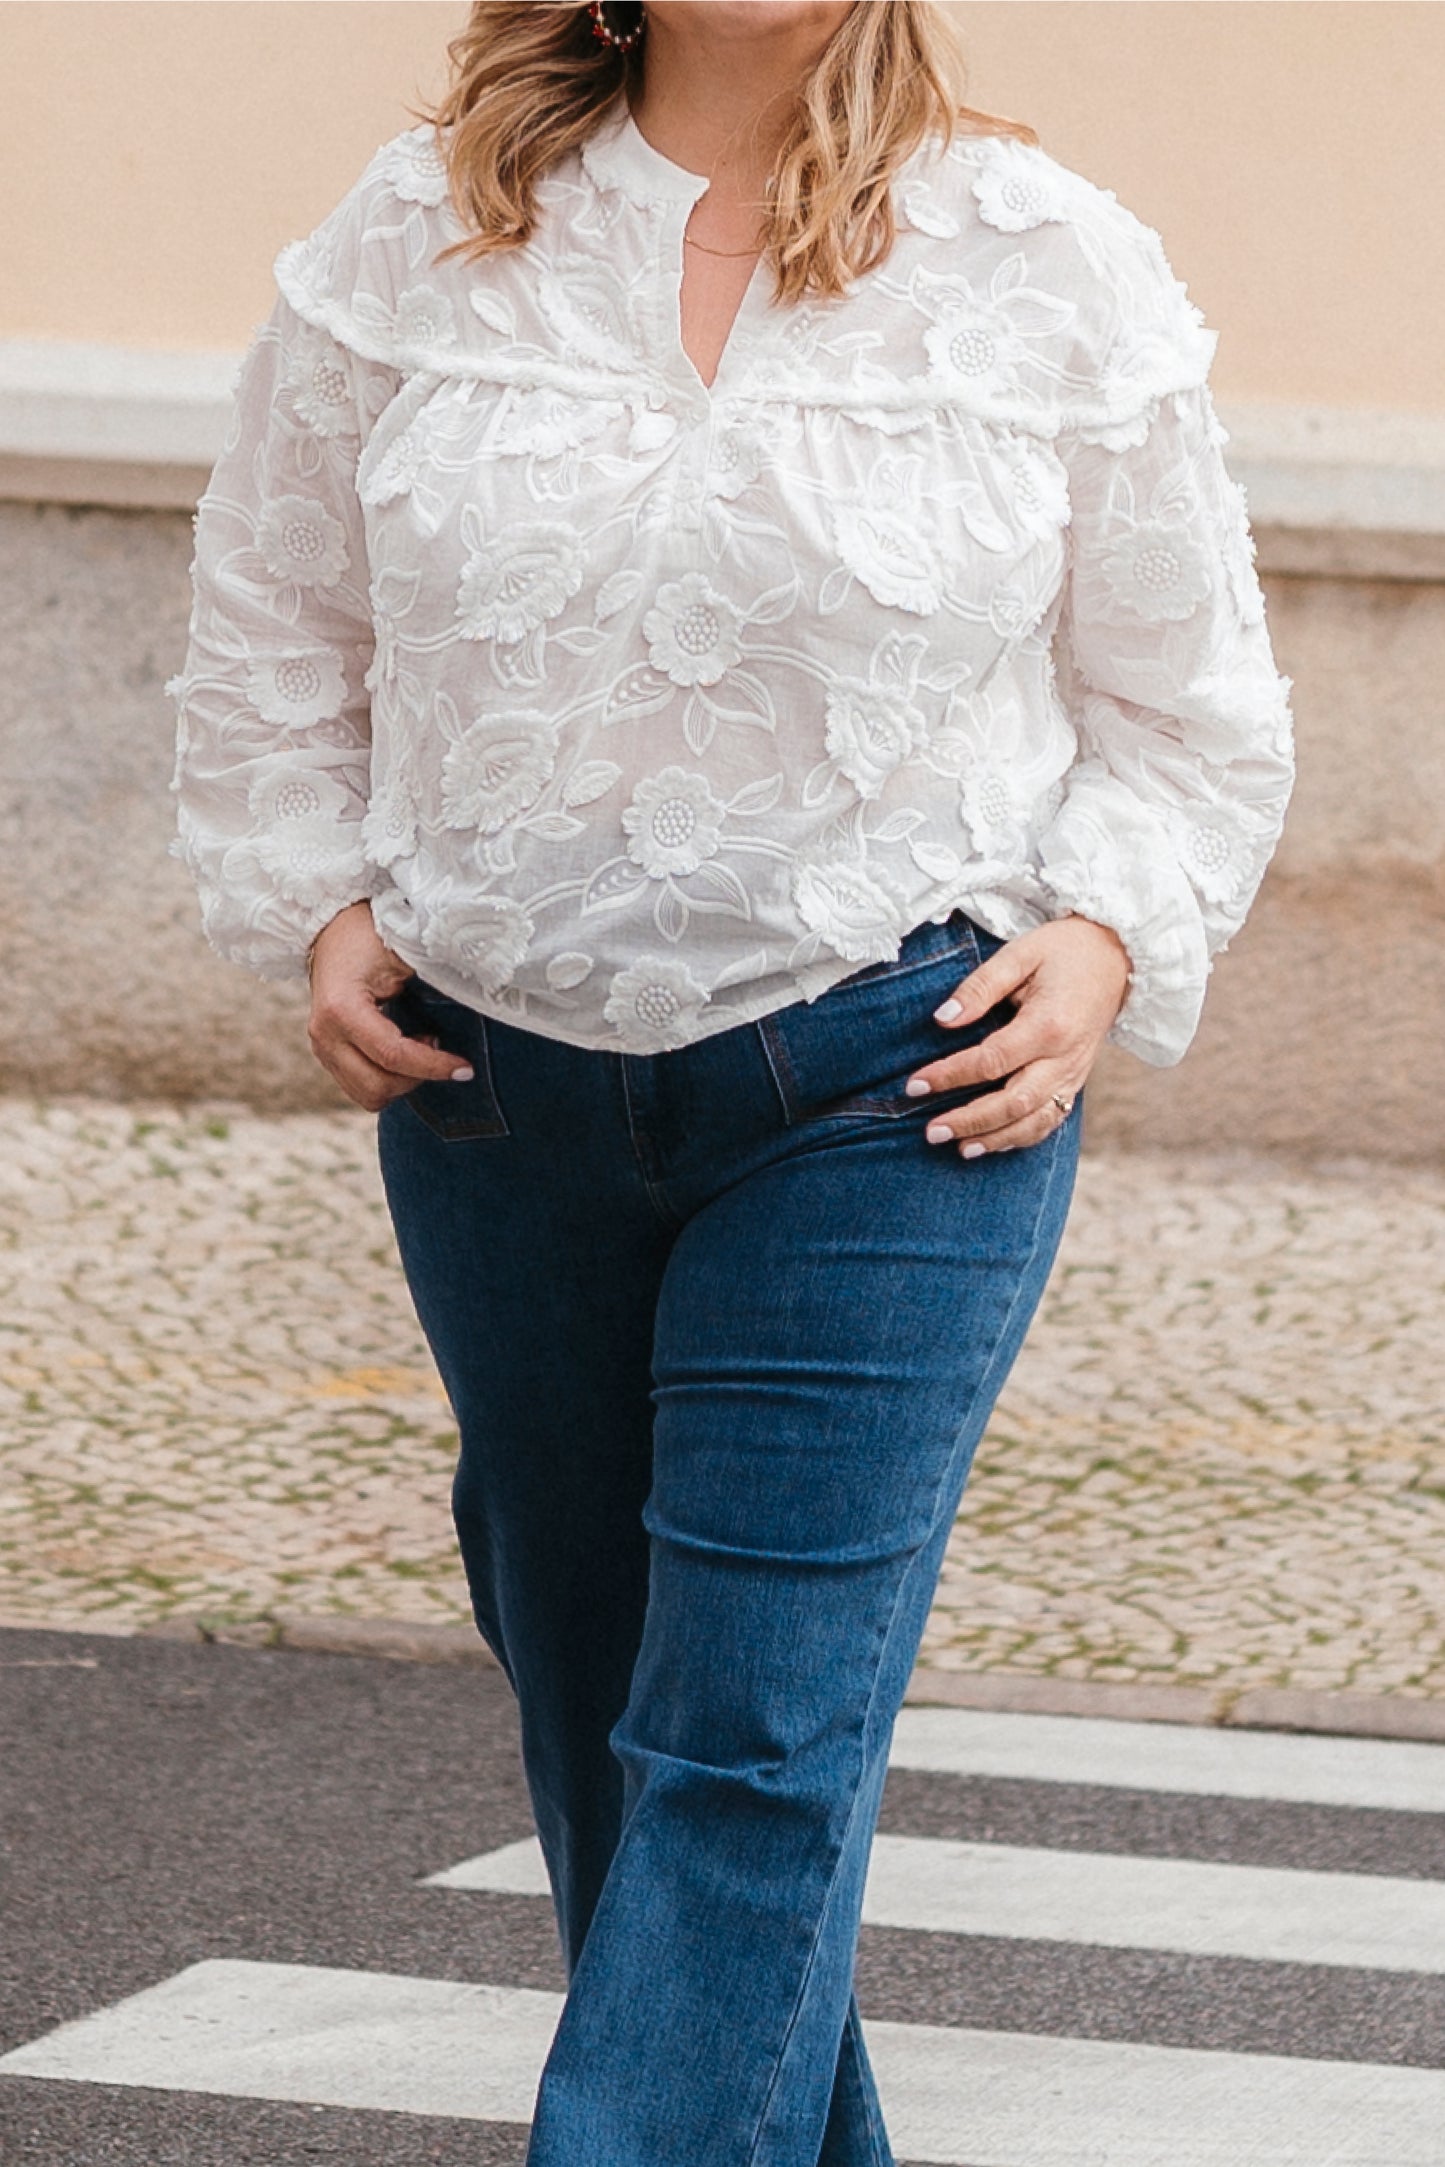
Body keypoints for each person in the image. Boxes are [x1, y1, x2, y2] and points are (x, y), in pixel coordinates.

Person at [167, 2, 1294, 2158]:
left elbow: (1189, 696)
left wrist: (1109, 931)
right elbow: (270, 615)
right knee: (613, 1713)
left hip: (897, 1079)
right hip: (493, 1089)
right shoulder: (416, 237)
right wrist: (312, 896)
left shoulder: (1045, 255)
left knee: (754, 1733)